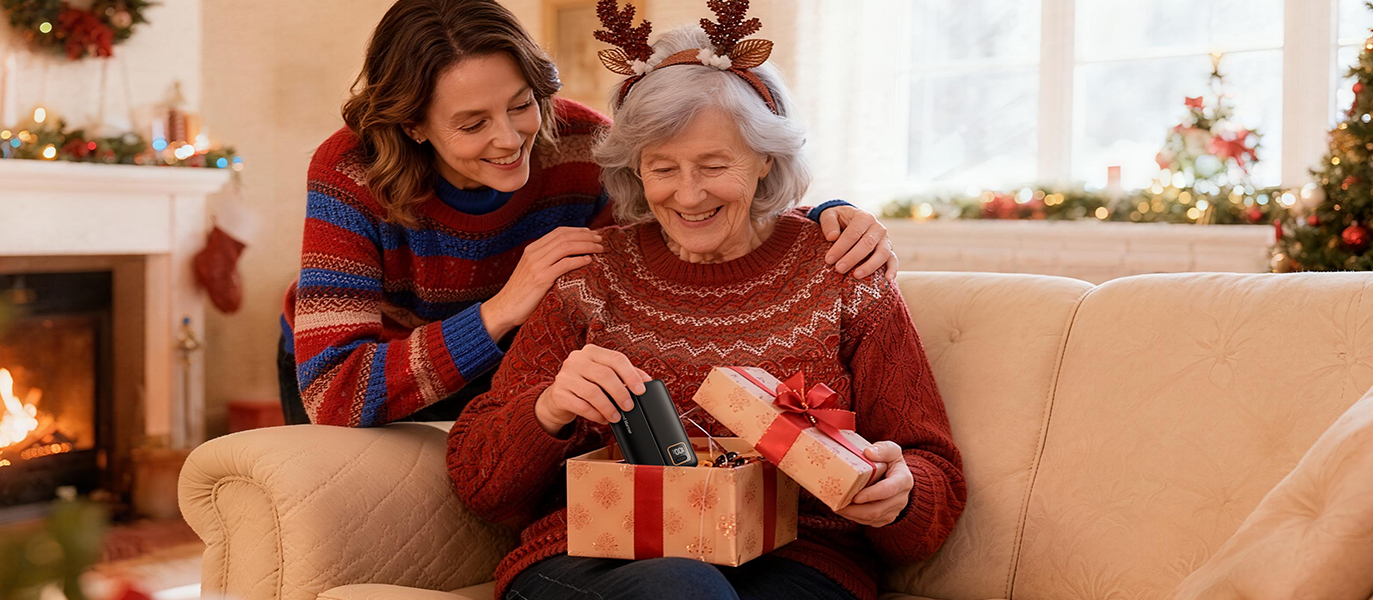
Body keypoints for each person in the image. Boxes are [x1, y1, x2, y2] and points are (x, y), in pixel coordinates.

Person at [446, 13, 965, 600]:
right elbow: (478, 485)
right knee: (683, 587)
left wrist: (900, 495)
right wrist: (548, 409)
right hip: (601, 556)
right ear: (635, 170)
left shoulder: (844, 270)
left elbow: (935, 480)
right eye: (662, 169)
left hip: (797, 560)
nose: (688, 195)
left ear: (766, 156)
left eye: (715, 166)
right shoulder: (587, 279)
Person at [276, 0, 903, 427]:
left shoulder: (581, 140)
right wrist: (500, 310)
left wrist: (828, 214)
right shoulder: (351, 171)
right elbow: (337, 391)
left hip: (517, 362)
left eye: (521, 104)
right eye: (471, 124)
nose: (510, 137)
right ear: (413, 125)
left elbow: (693, 204)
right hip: (368, 367)